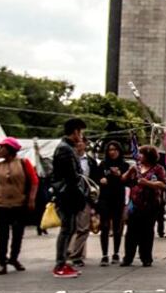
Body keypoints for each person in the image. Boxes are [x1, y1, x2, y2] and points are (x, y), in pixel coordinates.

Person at [0, 137, 39, 274]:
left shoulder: (23, 163)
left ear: (10, 150)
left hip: (19, 202)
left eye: (2, 147)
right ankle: (2, 262)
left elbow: (34, 181)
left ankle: (14, 258)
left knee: (17, 234)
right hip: (1, 203)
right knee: (2, 235)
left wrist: (31, 199)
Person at [52, 118, 87, 278]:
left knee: (70, 229)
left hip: (68, 194)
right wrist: (79, 193)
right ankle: (60, 264)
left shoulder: (67, 147)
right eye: (81, 131)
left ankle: (63, 262)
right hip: (67, 195)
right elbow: (72, 175)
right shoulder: (65, 149)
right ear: (75, 132)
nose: (81, 135)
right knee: (67, 229)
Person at [121, 145, 166, 267]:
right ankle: (128, 257)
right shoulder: (136, 168)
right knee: (131, 233)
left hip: (150, 205)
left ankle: (146, 258)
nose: (139, 156)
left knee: (147, 232)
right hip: (135, 204)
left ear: (148, 156)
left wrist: (148, 183)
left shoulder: (158, 169)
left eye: (142, 154)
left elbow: (163, 184)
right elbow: (123, 179)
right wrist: (128, 172)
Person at [67, 139, 99, 267]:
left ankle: (76, 255)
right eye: (75, 144)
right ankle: (70, 252)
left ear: (85, 145)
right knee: (70, 226)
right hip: (70, 197)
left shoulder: (90, 162)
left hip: (85, 198)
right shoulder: (69, 160)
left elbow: (94, 181)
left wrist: (94, 202)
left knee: (83, 228)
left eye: (80, 143)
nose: (78, 146)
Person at [97, 141, 129, 265]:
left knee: (117, 227)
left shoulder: (124, 165)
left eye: (115, 149)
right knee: (104, 226)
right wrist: (101, 180)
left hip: (118, 198)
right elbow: (96, 178)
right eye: (110, 149)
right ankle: (104, 255)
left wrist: (120, 175)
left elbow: (128, 182)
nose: (112, 152)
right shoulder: (103, 165)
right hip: (105, 198)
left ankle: (116, 253)